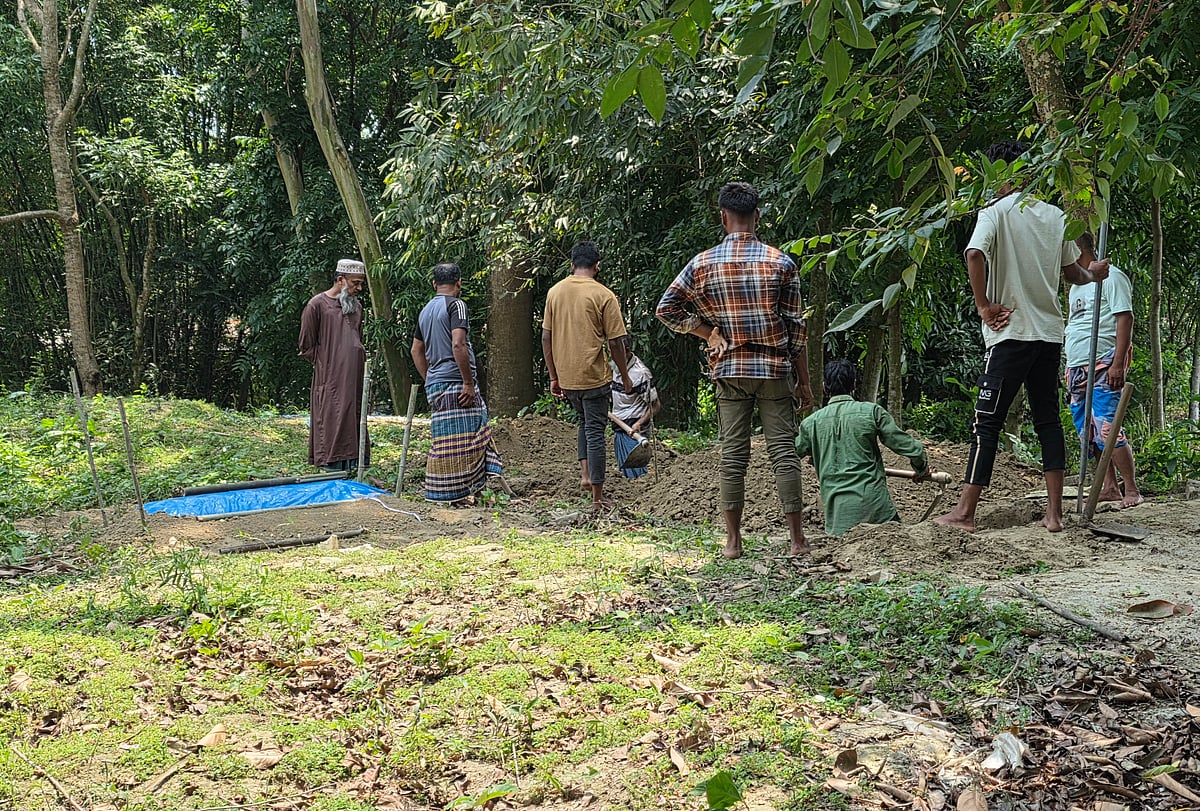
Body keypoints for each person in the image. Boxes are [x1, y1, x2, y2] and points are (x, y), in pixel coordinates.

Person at [934, 141, 1110, 533]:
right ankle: (1054, 515)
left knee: (986, 421)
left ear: (1004, 174)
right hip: (1049, 336)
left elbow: (975, 254)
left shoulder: (995, 212)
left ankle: (965, 513)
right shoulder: (1055, 217)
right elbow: (1074, 274)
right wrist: (1095, 272)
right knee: (1048, 419)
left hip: (1010, 334)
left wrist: (983, 305)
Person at [656, 181, 814, 559]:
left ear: (723, 217)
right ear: (757, 216)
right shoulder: (782, 262)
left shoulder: (702, 263)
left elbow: (667, 309)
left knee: (733, 456)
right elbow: (797, 330)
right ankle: (796, 541)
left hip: (729, 369)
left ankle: (733, 541)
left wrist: (707, 332)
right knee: (783, 454)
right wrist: (804, 382)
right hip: (774, 368)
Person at [542, 241, 633, 510]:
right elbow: (617, 342)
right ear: (597, 266)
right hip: (593, 376)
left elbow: (546, 336)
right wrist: (626, 377)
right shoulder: (604, 295)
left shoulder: (554, 293)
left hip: (567, 376)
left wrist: (553, 375)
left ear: (572, 264)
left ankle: (585, 476)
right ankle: (597, 495)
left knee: (584, 423)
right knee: (595, 431)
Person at [797, 360, 933, 536]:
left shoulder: (810, 424)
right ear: (854, 384)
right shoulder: (872, 412)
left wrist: (816, 454)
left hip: (839, 522)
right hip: (878, 513)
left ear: (825, 387)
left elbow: (790, 455)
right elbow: (913, 449)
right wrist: (922, 469)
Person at [410, 262, 503, 504]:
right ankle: (473, 491)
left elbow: (416, 350)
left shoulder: (425, 311)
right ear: (459, 282)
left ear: (434, 284)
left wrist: (430, 377)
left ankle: (446, 493)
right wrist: (468, 383)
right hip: (457, 383)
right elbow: (458, 344)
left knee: (446, 441)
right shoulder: (457, 306)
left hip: (437, 384)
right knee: (475, 436)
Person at [1064, 232, 1143, 508]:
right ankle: (1108, 486)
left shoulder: (1112, 277)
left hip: (1102, 360)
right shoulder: (1077, 285)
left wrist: (1118, 362)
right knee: (1087, 430)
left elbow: (1125, 317)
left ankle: (1131, 489)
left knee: (1107, 427)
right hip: (1077, 364)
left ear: (1077, 251)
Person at [298, 258, 370, 471]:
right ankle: (332, 464)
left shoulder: (357, 308)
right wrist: (330, 364)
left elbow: (357, 337)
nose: (359, 288)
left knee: (353, 413)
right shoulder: (317, 305)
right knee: (331, 414)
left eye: (361, 283)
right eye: (355, 283)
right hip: (329, 377)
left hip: (355, 375)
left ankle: (356, 464)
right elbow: (306, 346)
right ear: (341, 280)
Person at [610, 335, 661, 479]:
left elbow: (655, 406)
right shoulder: (615, 366)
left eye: (615, 352)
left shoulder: (640, 374)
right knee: (625, 474)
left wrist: (638, 423)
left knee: (636, 474)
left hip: (634, 431)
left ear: (626, 350)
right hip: (620, 427)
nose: (612, 356)